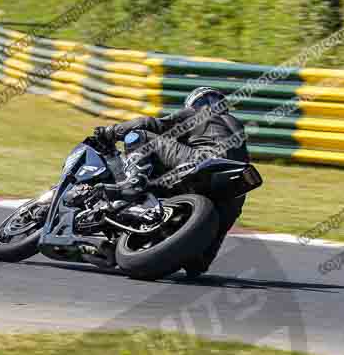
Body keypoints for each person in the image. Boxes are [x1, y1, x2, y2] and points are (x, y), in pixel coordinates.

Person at [93, 86, 250, 277]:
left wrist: (110, 132)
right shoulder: (237, 126)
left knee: (140, 137)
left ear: (196, 102)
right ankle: (201, 255)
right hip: (233, 182)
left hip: (203, 159)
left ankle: (133, 183)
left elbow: (150, 123)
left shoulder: (199, 112)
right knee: (200, 261)